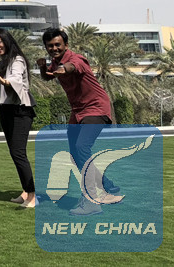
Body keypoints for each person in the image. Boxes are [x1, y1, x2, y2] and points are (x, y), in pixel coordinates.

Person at [37, 27, 120, 216]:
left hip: (95, 108)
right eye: (50, 46)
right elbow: (48, 76)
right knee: (75, 154)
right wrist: (43, 67)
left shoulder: (77, 59)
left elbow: (71, 67)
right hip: (78, 112)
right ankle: (106, 185)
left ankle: (92, 203)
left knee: (82, 147)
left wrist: (61, 70)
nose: (54, 48)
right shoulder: (55, 62)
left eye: (57, 44)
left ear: (66, 45)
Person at [0, 28, 36, 208]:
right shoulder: (1, 62)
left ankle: (33, 195)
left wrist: (0, 79)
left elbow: (15, 80)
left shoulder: (17, 60)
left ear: (7, 41)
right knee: (15, 153)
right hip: (6, 110)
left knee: (18, 153)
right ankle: (25, 192)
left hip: (20, 110)